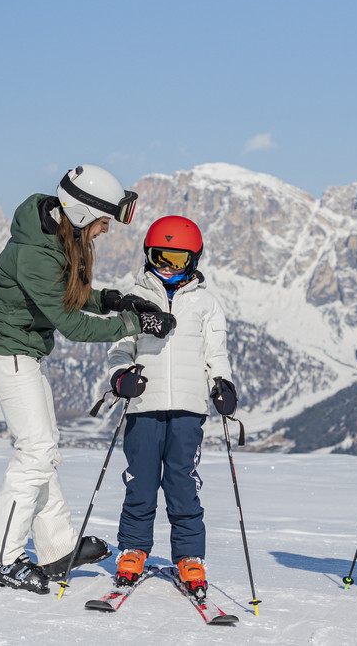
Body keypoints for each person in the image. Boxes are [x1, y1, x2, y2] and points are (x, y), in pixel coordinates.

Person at [0, 164, 177, 594]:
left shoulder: (55, 235)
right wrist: (136, 324)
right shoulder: (35, 253)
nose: (104, 231)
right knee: (35, 453)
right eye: (102, 223)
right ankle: (1, 561)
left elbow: (73, 296)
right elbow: (73, 325)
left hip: (22, 351)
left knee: (44, 452)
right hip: (6, 353)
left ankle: (57, 549)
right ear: (81, 214)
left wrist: (113, 300)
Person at [105, 215, 236, 600]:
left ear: (193, 260)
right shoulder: (135, 298)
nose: (167, 266)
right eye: (161, 256)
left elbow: (217, 354)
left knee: (182, 483)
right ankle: (133, 549)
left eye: (178, 260)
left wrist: (222, 383)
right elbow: (118, 349)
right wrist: (120, 378)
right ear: (148, 255)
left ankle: (190, 556)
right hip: (143, 404)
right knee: (140, 481)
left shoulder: (207, 304)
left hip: (189, 409)